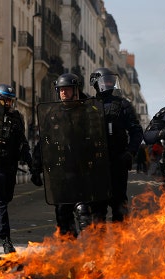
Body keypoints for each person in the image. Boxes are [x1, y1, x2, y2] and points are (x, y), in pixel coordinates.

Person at [31, 73, 92, 236]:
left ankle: (91, 248)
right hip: (61, 171)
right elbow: (43, 142)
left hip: (82, 170)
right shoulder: (52, 114)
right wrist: (35, 168)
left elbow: (97, 139)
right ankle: (69, 250)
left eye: (67, 89)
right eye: (61, 90)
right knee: (62, 212)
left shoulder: (87, 111)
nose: (64, 93)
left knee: (83, 209)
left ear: (76, 91)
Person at [88, 67, 143, 223]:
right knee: (97, 210)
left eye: (111, 81)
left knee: (119, 206)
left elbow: (136, 131)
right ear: (96, 84)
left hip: (117, 161)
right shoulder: (88, 106)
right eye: (105, 81)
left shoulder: (123, 105)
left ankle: (121, 245)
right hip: (96, 165)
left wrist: (130, 152)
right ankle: (98, 245)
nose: (108, 84)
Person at [0, 84, 33, 254]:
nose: (7, 103)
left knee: (2, 202)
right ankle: (6, 240)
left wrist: (31, 163)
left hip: (10, 166)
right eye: (4, 100)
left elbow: (22, 142)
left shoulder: (16, 117)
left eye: (9, 100)